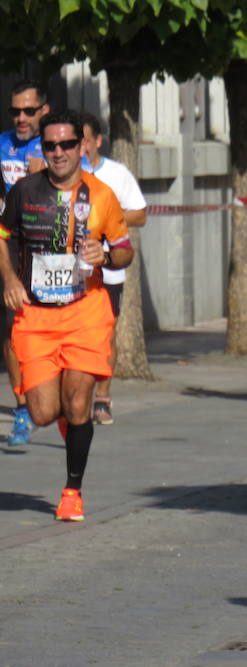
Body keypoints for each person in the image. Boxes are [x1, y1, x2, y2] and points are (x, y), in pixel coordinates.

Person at [0, 109, 133, 521]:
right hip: (36, 317)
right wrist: (8, 279)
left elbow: (125, 249)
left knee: (78, 401)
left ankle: (72, 491)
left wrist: (106, 254)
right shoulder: (24, 191)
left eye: (67, 144)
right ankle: (73, 427)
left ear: (83, 146)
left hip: (85, 311)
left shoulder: (103, 196)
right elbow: (1, 238)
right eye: (51, 145)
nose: (58, 152)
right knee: (42, 411)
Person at [80, 112, 147, 424]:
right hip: (69, 270)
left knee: (106, 334)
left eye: (82, 139)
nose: (75, 146)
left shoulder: (116, 174)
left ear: (97, 141)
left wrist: (110, 215)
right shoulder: (60, 174)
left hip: (107, 269)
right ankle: (74, 397)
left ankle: (103, 398)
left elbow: (140, 214)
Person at [0, 79, 50, 446]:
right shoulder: (2, 144)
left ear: (43, 111)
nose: (21, 117)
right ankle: (21, 409)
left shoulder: (56, 147)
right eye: (15, 110)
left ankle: (56, 397)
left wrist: (45, 172)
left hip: (47, 246)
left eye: (28, 110)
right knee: (9, 330)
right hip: (8, 244)